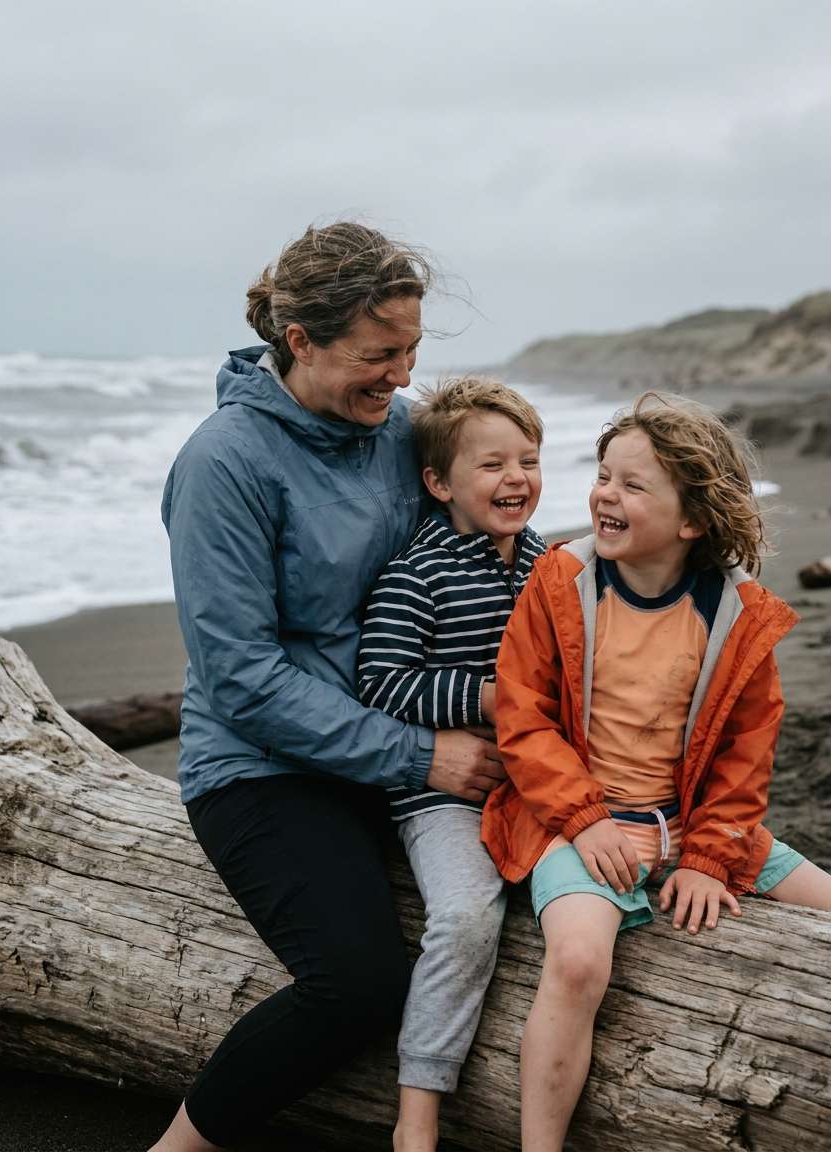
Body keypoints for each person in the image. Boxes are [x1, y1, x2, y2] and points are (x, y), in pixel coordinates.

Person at [150, 223, 505, 1152]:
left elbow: (476, 538)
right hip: (263, 770)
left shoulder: (398, 434)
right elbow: (242, 679)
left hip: (396, 756)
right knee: (358, 983)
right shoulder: (223, 464)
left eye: (411, 352)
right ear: (299, 341)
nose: (399, 376)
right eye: (378, 355)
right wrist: (423, 753)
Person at [480, 392, 831, 1152]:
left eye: (632, 485)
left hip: (687, 821)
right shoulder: (561, 582)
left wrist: (707, 858)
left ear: (691, 520)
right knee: (581, 958)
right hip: (577, 823)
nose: (605, 495)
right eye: (601, 475)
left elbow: (745, 753)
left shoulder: (736, 613)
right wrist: (586, 821)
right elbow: (522, 719)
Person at [358, 376, 547, 1152]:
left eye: (529, 460)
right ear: (439, 482)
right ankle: (418, 1115)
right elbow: (381, 682)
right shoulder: (417, 573)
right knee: (468, 916)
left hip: (540, 784)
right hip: (439, 798)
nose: (516, 480)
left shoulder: (552, 566)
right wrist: (484, 696)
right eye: (492, 465)